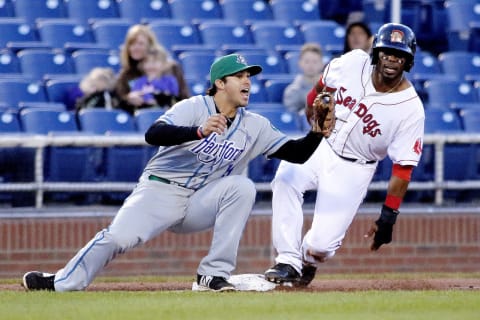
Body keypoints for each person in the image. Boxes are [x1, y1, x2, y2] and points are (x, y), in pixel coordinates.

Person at [22, 53, 333, 292]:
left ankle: (213, 274)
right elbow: (154, 134)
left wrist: (317, 133)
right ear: (220, 83)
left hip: (201, 200)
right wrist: (197, 131)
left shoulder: (254, 125)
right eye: (239, 76)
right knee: (117, 238)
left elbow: (296, 153)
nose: (247, 81)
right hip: (161, 190)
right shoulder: (193, 106)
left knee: (242, 186)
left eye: (249, 75)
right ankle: (60, 282)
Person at [264, 23, 425, 287]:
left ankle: (307, 261)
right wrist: (312, 116)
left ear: (408, 62)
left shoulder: (411, 109)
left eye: (400, 56)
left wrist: (388, 216)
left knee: (320, 247)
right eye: (387, 53)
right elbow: (319, 88)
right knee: (286, 177)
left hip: (355, 168)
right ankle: (288, 260)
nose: (392, 60)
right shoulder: (352, 62)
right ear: (376, 53)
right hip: (322, 145)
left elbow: (403, 169)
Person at [115, 24, 189, 114]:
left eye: (140, 43)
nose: (135, 47)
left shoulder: (172, 68)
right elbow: (119, 101)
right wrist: (129, 99)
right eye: (131, 44)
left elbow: (183, 96)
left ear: (150, 45)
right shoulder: (126, 75)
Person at [282, 43, 324, 114]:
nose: (311, 65)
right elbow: (293, 115)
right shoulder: (292, 90)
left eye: (315, 62)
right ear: (300, 63)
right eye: (307, 61)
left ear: (322, 64)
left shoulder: (332, 87)